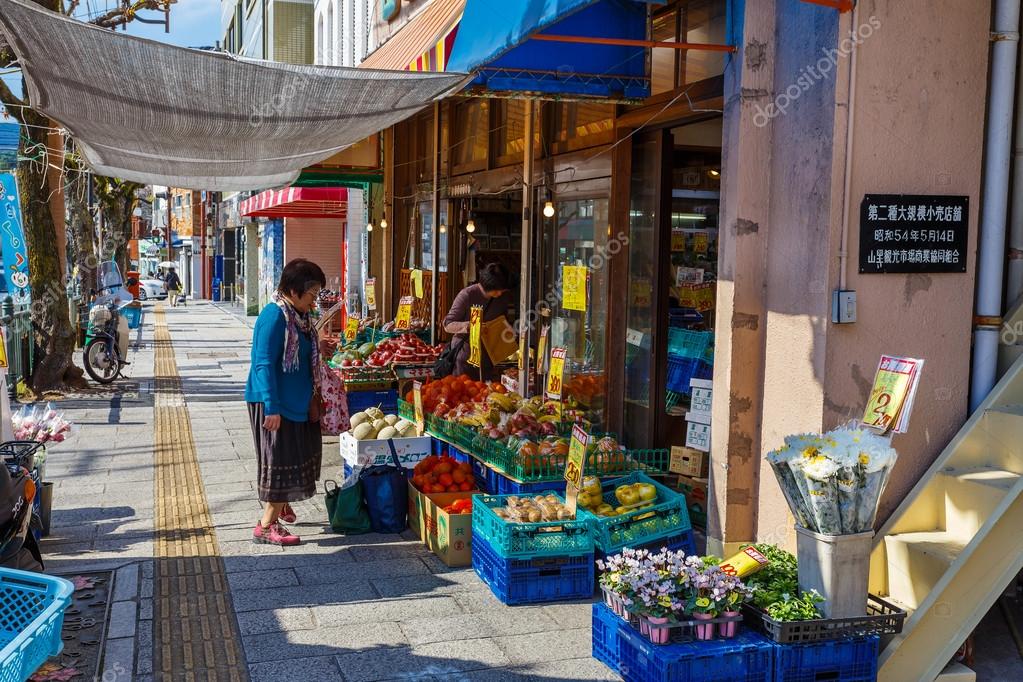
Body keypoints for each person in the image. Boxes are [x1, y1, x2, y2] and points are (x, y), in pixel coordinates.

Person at [244, 259, 327, 546]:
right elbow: (263, 364)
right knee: (279, 462)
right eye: (311, 293)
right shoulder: (274, 317)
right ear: (293, 290)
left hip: (296, 403)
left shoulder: (299, 319)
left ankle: (280, 506)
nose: (314, 300)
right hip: (275, 404)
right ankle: (266, 526)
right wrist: (272, 406)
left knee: (295, 459)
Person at [442, 262, 515, 381]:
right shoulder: (467, 295)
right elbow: (448, 324)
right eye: (497, 290)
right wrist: (470, 326)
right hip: (465, 358)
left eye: (503, 290)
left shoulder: (502, 298)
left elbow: (503, 320)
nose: (500, 293)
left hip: (489, 358)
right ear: (488, 285)